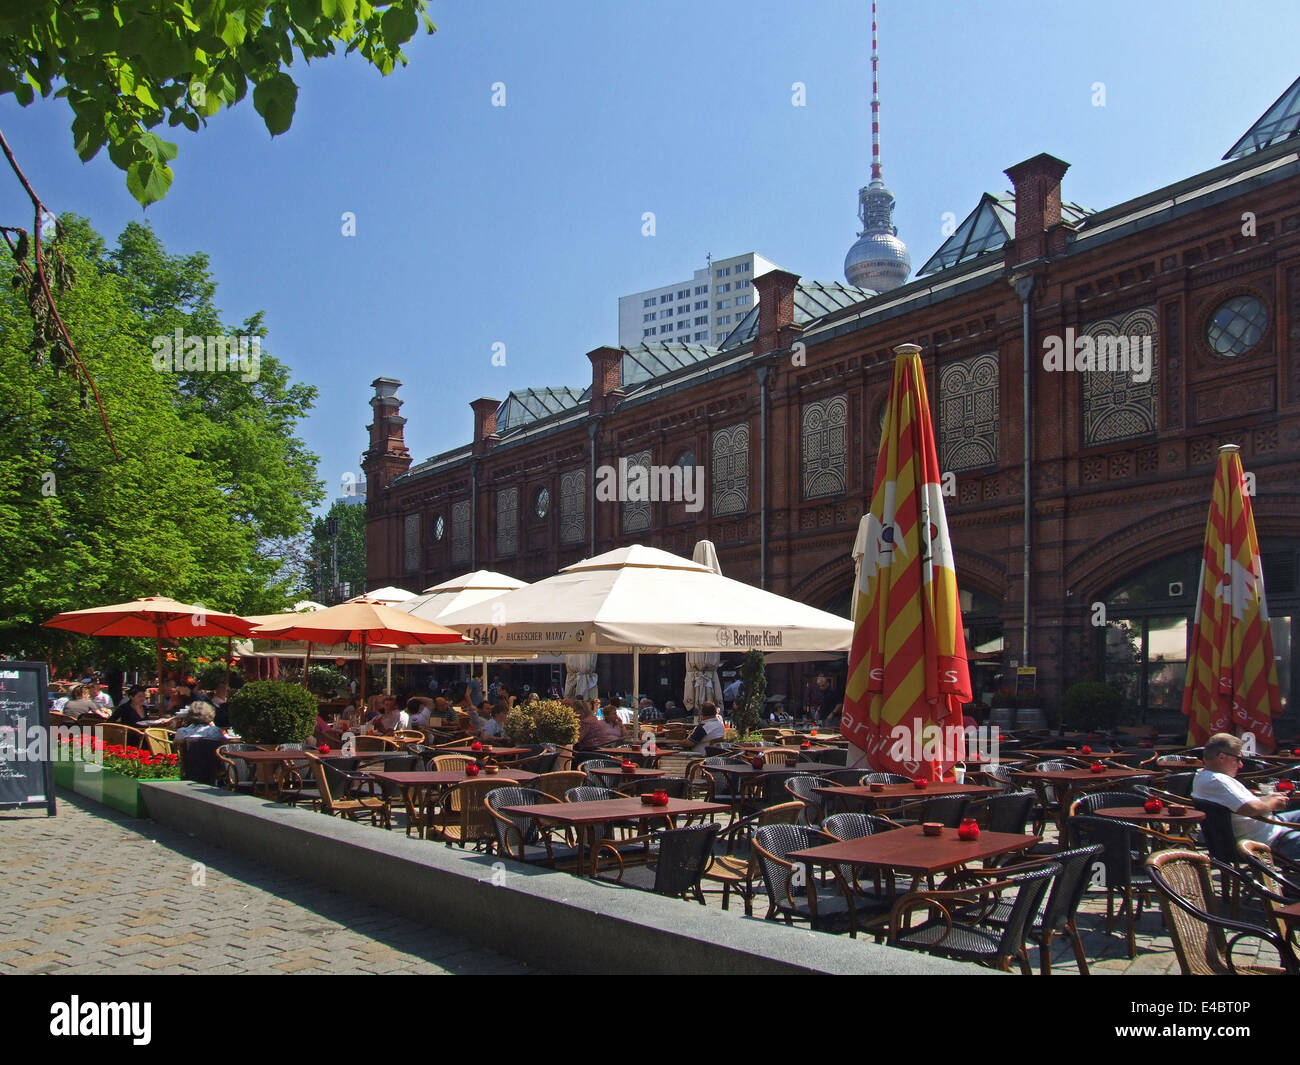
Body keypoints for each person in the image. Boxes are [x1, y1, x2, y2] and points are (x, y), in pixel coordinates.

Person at [1192, 732, 1300, 860]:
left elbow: (1242, 804)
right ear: (1221, 757)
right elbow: (1251, 808)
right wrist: (1274, 803)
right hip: (1269, 841)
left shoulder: (1202, 776)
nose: (1241, 765)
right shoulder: (1217, 780)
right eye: (1238, 759)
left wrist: (1269, 798)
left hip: (1270, 827)